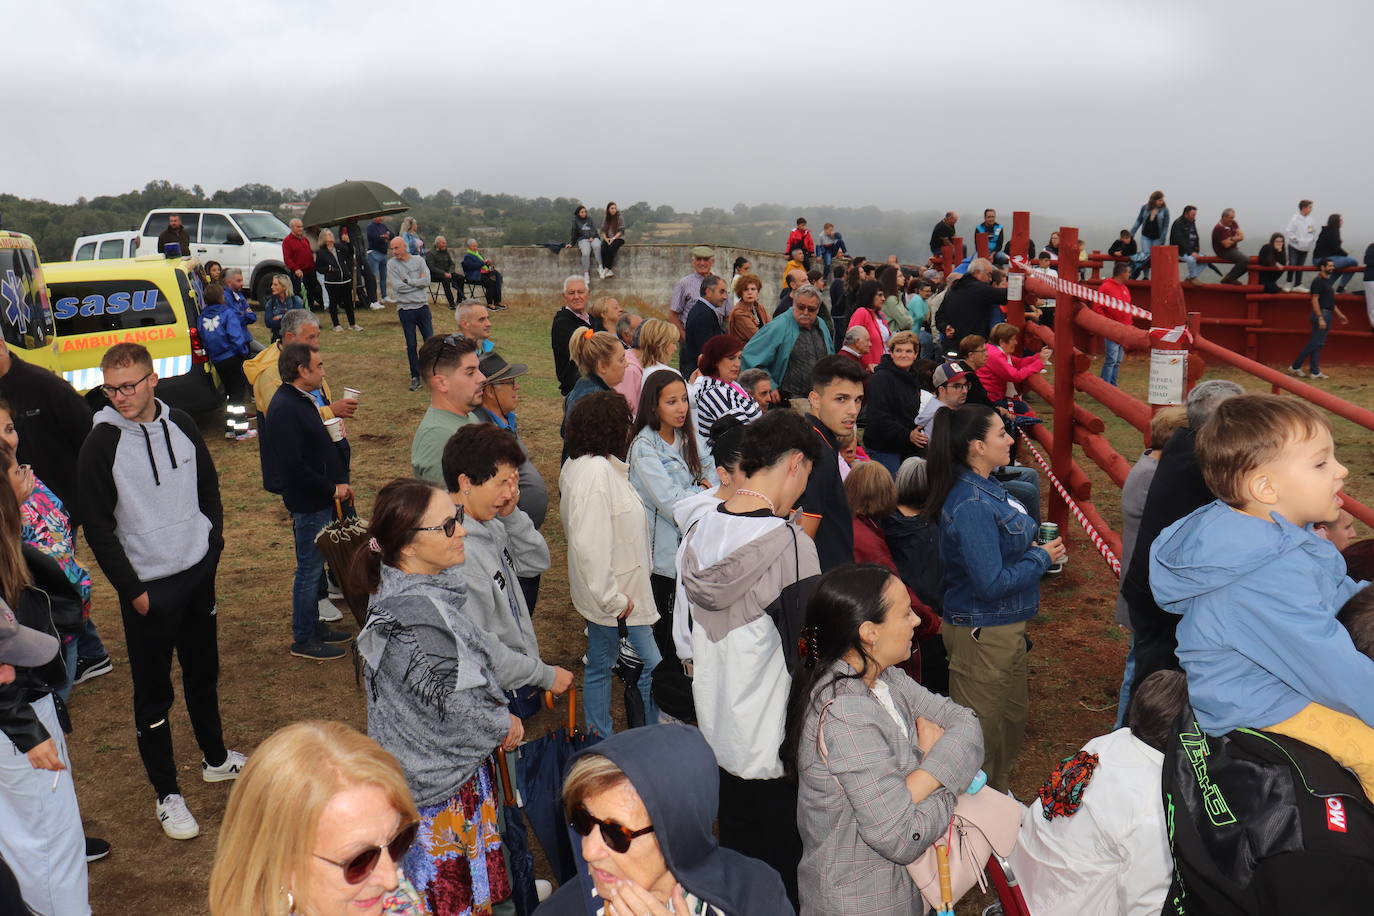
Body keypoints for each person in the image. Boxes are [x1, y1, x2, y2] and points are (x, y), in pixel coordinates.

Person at [1151, 394, 1374, 799]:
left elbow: (1336, 592)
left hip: (1280, 676)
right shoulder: (1265, 574)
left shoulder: (1280, 534)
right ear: (1266, 487)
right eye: (1321, 463)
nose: (1341, 471)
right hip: (1260, 700)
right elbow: (1328, 666)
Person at [78, 342, 245, 839]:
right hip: (149, 590)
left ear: (153, 380)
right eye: (111, 387)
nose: (120, 396)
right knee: (154, 695)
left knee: (203, 673)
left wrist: (210, 549)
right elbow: (97, 528)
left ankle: (215, 758)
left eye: (129, 385)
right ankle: (167, 794)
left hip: (197, 573)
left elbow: (209, 491)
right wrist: (133, 591)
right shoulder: (100, 444)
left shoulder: (184, 426)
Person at [678, 409, 823, 905]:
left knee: (738, 861)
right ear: (795, 464)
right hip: (774, 740)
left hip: (719, 729)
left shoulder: (699, 530)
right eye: (807, 475)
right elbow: (811, 656)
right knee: (784, 869)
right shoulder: (792, 545)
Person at [783, 564, 983, 916]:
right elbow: (902, 837)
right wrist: (939, 771)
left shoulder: (887, 679)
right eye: (905, 613)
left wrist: (915, 786)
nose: (917, 621)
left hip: (899, 892)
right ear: (869, 633)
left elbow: (967, 723)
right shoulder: (846, 714)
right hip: (861, 903)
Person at [352, 478, 514, 914]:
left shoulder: (395, 593)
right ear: (407, 545)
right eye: (446, 526)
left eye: (457, 518)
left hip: (417, 774)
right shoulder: (420, 619)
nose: (460, 530)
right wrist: (505, 722)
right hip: (438, 796)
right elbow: (461, 712)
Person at [925, 404, 1067, 791]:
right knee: (980, 736)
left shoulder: (987, 487)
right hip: (982, 632)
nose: (1010, 439)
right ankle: (977, 820)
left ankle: (998, 799)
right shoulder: (971, 503)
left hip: (1003, 628)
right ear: (976, 446)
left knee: (1010, 720)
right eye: (1001, 434)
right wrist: (1041, 556)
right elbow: (989, 583)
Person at [539, 724, 793, 915]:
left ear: (677, 831)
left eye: (615, 833)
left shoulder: (758, 894)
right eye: (582, 820)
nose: (588, 851)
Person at [1007, 670, 1186, 916]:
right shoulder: (1153, 807)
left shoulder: (1108, 742)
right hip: (1063, 904)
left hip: (1025, 880)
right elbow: (1147, 908)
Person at [208, 720, 425, 916]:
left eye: (399, 840)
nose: (391, 879)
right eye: (359, 861)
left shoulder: (394, 899)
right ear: (282, 863)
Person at [1121, 379, 1244, 702]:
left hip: (1153, 594)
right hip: (1168, 603)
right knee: (1158, 688)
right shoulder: (1207, 468)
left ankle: (1131, 733)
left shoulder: (1181, 445)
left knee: (1146, 672)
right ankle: (1138, 738)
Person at [0, 494, 90, 915]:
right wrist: (29, 733)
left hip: (22, 718)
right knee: (50, 844)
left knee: (25, 840)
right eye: (13, 469)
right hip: (20, 723)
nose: (26, 473)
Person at [440, 425, 571, 707]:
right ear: (466, 482)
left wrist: (511, 516)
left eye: (514, 482)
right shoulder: (460, 555)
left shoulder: (490, 523)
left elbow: (534, 562)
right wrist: (544, 675)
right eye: (502, 482)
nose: (510, 492)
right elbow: (481, 650)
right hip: (488, 691)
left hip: (506, 680)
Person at [560, 392, 660, 737]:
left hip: (608, 595)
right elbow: (591, 544)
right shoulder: (595, 474)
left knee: (601, 663)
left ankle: (598, 734)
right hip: (618, 598)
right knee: (651, 668)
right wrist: (613, 600)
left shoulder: (584, 465)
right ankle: (650, 740)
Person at [1, 399, 109, 695]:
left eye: (9, 428)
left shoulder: (25, 476)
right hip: (26, 636)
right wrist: (13, 504)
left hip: (65, 622)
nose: (6, 439)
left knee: (57, 710)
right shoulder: (13, 492)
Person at [265, 343, 355, 662]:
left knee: (314, 569)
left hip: (320, 499)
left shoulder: (301, 400)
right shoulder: (286, 407)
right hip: (310, 502)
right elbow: (293, 466)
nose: (323, 371)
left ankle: (314, 627)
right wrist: (332, 488)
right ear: (302, 370)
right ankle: (303, 638)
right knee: (309, 570)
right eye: (319, 366)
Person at [630, 370, 716, 666]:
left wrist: (706, 489)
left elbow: (715, 473)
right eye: (672, 402)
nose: (681, 408)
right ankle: (663, 696)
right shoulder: (644, 447)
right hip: (665, 561)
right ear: (653, 406)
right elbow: (672, 504)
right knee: (667, 633)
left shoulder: (686, 436)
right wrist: (703, 490)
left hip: (695, 548)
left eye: (683, 400)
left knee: (688, 628)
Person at [1109, 407, 1188, 725]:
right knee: (1138, 669)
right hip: (1145, 593)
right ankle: (1123, 728)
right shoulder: (1152, 478)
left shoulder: (1149, 469)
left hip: (1143, 588)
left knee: (1139, 661)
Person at [476, 352, 550, 614]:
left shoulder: (506, 420)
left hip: (520, 532)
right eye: (509, 382)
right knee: (515, 609)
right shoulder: (483, 430)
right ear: (488, 390)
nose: (517, 386)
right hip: (506, 540)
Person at [0, 339, 93, 528]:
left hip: (55, 512)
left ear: (1, 347)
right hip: (9, 513)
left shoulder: (46, 386)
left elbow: (90, 440)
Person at [799, 356, 865, 572]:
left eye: (858, 400)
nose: (853, 410)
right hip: (821, 580)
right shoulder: (817, 451)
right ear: (815, 399)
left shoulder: (817, 439)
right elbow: (802, 538)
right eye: (841, 399)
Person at [742, 286, 833, 408]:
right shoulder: (779, 326)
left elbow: (831, 356)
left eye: (811, 309)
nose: (805, 312)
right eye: (801, 307)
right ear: (794, 304)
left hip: (820, 398)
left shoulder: (821, 325)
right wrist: (770, 385)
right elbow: (750, 355)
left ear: (818, 309)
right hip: (790, 401)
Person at [411, 335, 486, 483]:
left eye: (479, 369)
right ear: (442, 383)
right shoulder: (438, 439)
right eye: (470, 372)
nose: (482, 378)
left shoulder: (467, 416)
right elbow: (450, 504)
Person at [197, 282, 258, 444]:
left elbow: (203, 337)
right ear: (220, 297)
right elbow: (235, 336)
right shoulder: (227, 313)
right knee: (238, 394)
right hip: (232, 357)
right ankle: (241, 430)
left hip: (217, 360)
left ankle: (230, 428)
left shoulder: (202, 317)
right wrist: (242, 352)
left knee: (230, 394)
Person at [862, 331, 926, 474]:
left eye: (908, 351)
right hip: (884, 449)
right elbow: (878, 418)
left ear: (915, 354)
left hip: (905, 446)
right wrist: (908, 435)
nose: (903, 355)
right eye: (898, 350)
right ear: (891, 353)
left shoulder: (913, 377)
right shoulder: (882, 378)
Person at [691, 334, 763, 441]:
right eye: (731, 358)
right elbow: (739, 434)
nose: (737, 364)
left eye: (739, 358)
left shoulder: (730, 383)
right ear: (715, 360)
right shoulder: (717, 393)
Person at [1288, 259, 1348, 379]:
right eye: (1330, 266)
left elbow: (1330, 302)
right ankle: (1295, 366)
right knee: (1315, 342)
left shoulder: (1327, 282)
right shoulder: (1318, 281)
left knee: (1318, 344)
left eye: (1333, 265)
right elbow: (1314, 299)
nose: (1332, 268)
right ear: (1322, 267)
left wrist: (1339, 314)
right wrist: (1320, 317)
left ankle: (1314, 371)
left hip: (1327, 313)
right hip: (1322, 314)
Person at [388, 236, 434, 391]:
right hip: (405, 309)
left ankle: (431, 373)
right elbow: (397, 287)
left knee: (430, 342)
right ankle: (415, 376)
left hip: (422, 307)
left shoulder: (419, 261)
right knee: (411, 344)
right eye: (392, 248)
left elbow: (427, 281)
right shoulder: (391, 264)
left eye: (396, 248)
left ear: (405, 246)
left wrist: (409, 281)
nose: (394, 252)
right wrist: (417, 283)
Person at [563, 329, 628, 438]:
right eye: (621, 360)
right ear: (602, 366)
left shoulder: (582, 386)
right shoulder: (597, 402)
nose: (627, 364)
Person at [939, 257, 1013, 345]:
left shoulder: (952, 290)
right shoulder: (979, 289)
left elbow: (939, 315)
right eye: (989, 275)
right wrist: (1021, 284)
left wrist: (945, 327)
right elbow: (1005, 295)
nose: (990, 279)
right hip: (975, 346)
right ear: (977, 273)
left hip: (952, 343)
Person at [978, 321, 1045, 402]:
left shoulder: (993, 350)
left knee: (1024, 409)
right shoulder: (995, 355)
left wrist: (1039, 356)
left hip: (992, 397)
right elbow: (1015, 376)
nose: (1016, 342)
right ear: (1002, 342)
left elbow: (1018, 362)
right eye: (1013, 339)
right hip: (992, 400)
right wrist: (1039, 363)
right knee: (1025, 411)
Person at [552, 275, 594, 396]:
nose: (576, 297)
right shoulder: (562, 322)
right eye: (571, 293)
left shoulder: (592, 319)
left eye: (581, 292)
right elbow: (585, 342)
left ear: (588, 294)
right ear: (564, 296)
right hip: (576, 389)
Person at [1095, 261, 1134, 385]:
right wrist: (1107, 323)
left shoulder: (1125, 289)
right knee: (1112, 359)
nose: (1129, 274)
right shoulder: (1106, 287)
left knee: (1117, 360)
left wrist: (1129, 326)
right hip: (1112, 328)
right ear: (1122, 273)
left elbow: (1128, 308)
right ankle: (1105, 385)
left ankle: (1111, 384)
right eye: (1128, 272)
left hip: (1124, 329)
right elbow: (1097, 307)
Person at [681, 274, 728, 376]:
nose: (725, 297)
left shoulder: (704, 310)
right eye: (721, 292)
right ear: (708, 292)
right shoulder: (703, 314)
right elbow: (705, 350)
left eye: (726, 292)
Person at [316, 228, 360, 331]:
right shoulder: (321, 252)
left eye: (331, 234)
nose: (331, 236)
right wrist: (328, 269)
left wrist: (348, 242)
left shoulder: (339, 247)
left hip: (345, 279)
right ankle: (336, 325)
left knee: (348, 302)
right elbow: (319, 267)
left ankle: (352, 324)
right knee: (333, 303)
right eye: (328, 234)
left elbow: (350, 252)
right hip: (332, 281)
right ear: (323, 238)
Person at [669, 246, 715, 335]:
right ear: (693, 262)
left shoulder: (720, 283)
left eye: (705, 259)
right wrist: (684, 337)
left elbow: (727, 315)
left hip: (715, 337)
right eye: (698, 259)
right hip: (692, 336)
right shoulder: (684, 284)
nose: (702, 263)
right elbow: (673, 315)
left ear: (712, 262)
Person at [1128, 191, 1169, 279]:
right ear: (1154, 200)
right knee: (1145, 256)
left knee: (1155, 257)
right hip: (1146, 236)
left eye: (1162, 200)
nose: (1161, 202)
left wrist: (1162, 239)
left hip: (1157, 237)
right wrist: (1132, 233)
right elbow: (1139, 221)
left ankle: (1155, 276)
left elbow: (1165, 226)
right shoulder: (1144, 208)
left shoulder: (1165, 210)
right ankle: (1146, 276)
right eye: (1159, 200)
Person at [1313, 213, 1359, 292]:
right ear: (1336, 221)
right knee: (1354, 262)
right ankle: (1340, 287)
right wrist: (1345, 253)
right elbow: (1336, 248)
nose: (1342, 222)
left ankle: (1328, 286)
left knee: (1342, 266)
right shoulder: (1333, 231)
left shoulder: (1327, 230)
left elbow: (1332, 247)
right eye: (1340, 220)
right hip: (1322, 260)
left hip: (1319, 258)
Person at [283, 219, 322, 310]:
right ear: (292, 228)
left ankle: (310, 311)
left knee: (311, 293)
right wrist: (296, 269)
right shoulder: (287, 241)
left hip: (310, 271)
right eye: (298, 227)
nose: (301, 229)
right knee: (299, 294)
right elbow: (287, 258)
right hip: (298, 273)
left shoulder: (305, 239)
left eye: (301, 226)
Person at [635, 318, 681, 385]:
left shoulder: (634, 368)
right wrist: (698, 380)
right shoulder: (669, 375)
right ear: (660, 344)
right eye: (673, 342)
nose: (675, 348)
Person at [1284, 199, 1317, 291]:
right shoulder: (1295, 219)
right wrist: (1297, 240)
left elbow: (1312, 231)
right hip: (1294, 246)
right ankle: (1288, 283)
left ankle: (1297, 285)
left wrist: (1310, 239)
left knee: (1300, 265)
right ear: (1304, 208)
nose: (1311, 209)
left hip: (1305, 247)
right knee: (1292, 264)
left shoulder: (1311, 219)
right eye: (1309, 207)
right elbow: (1288, 231)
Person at [1168, 205, 1206, 286]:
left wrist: (1196, 251)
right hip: (1180, 251)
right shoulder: (1178, 223)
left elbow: (1195, 237)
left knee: (1205, 260)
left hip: (1191, 250)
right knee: (1191, 260)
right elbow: (1180, 240)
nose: (1194, 217)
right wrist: (1191, 252)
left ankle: (1189, 278)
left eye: (1195, 215)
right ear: (1186, 214)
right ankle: (1193, 278)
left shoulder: (1192, 222)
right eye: (1193, 215)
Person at [461, 238, 504, 309]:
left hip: (483, 273)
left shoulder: (478, 254)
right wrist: (483, 262)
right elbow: (471, 267)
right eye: (473, 246)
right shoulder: (467, 256)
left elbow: (483, 265)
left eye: (476, 246)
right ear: (469, 247)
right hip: (474, 275)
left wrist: (488, 264)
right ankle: (489, 303)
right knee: (490, 281)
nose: (475, 248)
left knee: (497, 276)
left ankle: (497, 301)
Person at [727, 272, 770, 342]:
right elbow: (757, 337)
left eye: (753, 289)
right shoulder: (739, 313)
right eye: (745, 289)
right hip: (746, 350)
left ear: (758, 291)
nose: (749, 292)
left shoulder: (758, 307)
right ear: (741, 292)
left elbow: (772, 327)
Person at [615, 313, 646, 404]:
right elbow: (630, 404)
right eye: (639, 328)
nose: (645, 331)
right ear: (626, 335)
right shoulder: (627, 365)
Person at [1212, 208, 1248, 285]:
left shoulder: (1233, 222)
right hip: (1223, 251)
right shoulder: (1218, 228)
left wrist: (1231, 239)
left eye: (1233, 217)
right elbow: (1226, 245)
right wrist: (1235, 238)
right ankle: (1229, 279)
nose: (1232, 220)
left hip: (1232, 249)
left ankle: (1230, 278)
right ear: (1224, 217)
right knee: (1245, 260)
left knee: (1248, 261)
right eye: (1231, 218)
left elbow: (1242, 237)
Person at [261, 274, 301, 343]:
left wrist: (280, 317)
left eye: (275, 285)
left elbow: (295, 321)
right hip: (276, 339)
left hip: (294, 340)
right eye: (272, 284)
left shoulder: (296, 301)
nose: (272, 287)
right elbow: (268, 322)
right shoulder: (271, 302)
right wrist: (287, 318)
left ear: (284, 286)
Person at [568, 205, 604, 281]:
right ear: (578, 213)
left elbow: (594, 229)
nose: (584, 213)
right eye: (582, 212)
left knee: (597, 246)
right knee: (585, 253)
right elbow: (574, 233)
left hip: (594, 237)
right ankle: (586, 273)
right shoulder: (575, 221)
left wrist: (592, 236)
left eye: (585, 212)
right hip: (583, 239)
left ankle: (600, 267)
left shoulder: (590, 219)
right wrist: (571, 243)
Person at [424, 235, 461, 309]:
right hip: (435, 275)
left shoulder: (446, 253)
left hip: (447, 273)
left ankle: (459, 301)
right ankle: (451, 304)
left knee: (461, 278)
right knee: (446, 279)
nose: (445, 245)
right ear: (437, 244)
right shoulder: (430, 253)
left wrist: (450, 272)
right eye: (443, 243)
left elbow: (452, 264)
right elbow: (432, 267)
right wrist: (444, 273)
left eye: (445, 243)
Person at [366, 217, 393, 305]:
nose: (381, 218)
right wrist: (384, 237)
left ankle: (384, 296)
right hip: (374, 254)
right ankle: (374, 299)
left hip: (384, 254)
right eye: (379, 216)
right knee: (374, 278)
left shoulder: (383, 226)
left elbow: (392, 234)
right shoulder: (371, 227)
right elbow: (374, 238)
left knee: (383, 277)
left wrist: (385, 236)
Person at [599, 202, 626, 276]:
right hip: (608, 238)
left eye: (615, 208)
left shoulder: (619, 217)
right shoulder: (606, 218)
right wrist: (606, 239)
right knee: (603, 249)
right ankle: (608, 271)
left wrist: (613, 238)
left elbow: (621, 231)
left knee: (611, 249)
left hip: (618, 238)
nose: (614, 210)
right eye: (612, 208)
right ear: (608, 209)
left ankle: (606, 269)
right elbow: (603, 230)